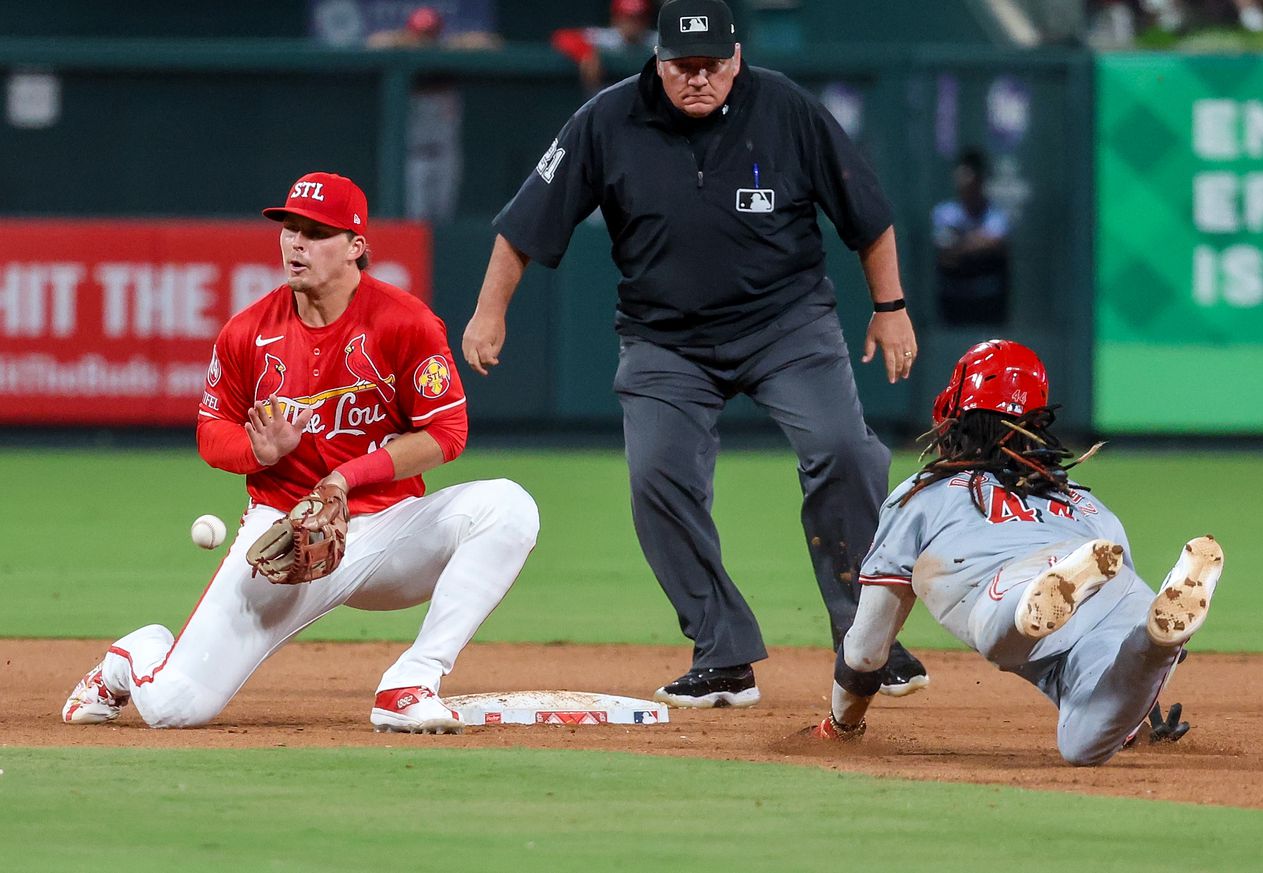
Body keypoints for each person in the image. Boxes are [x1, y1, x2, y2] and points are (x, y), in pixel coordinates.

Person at [462, 0, 928, 708]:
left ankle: (868, 638)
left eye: (713, 64)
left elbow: (868, 213)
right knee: (658, 476)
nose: (700, 79)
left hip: (786, 325)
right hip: (666, 338)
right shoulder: (607, 119)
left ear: (737, 58)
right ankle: (723, 653)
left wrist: (890, 309)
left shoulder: (786, 110)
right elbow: (528, 220)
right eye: (684, 66)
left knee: (846, 449)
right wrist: (489, 310)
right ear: (658, 60)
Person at [61, 172, 539, 733]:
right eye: (290, 228)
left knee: (507, 506)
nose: (296, 243)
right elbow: (211, 430)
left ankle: (412, 681)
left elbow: (448, 433)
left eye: (316, 232)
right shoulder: (247, 332)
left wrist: (344, 478)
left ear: (356, 247)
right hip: (286, 538)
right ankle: (131, 659)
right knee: (174, 709)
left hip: (390, 531)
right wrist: (256, 453)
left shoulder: (404, 321)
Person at [805, 339, 1224, 766]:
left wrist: (841, 725)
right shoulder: (1086, 502)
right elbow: (1116, 627)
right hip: (1116, 589)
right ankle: (1156, 646)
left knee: (998, 629)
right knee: (1083, 745)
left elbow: (865, 652)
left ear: (955, 413)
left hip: (1013, 588)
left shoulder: (923, 496)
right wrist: (1140, 705)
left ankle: (1042, 586)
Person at [931, 149, 1010, 327]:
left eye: (972, 178)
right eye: (962, 178)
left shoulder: (995, 215)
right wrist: (976, 242)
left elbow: (996, 243)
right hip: (953, 299)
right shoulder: (945, 213)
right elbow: (945, 253)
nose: (967, 185)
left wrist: (961, 244)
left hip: (989, 299)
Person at [551, 0, 657, 95]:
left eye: (638, 18)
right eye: (626, 18)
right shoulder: (606, 38)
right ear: (614, 19)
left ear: (647, 20)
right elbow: (562, 37)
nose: (632, 24)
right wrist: (586, 54)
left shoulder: (657, 39)